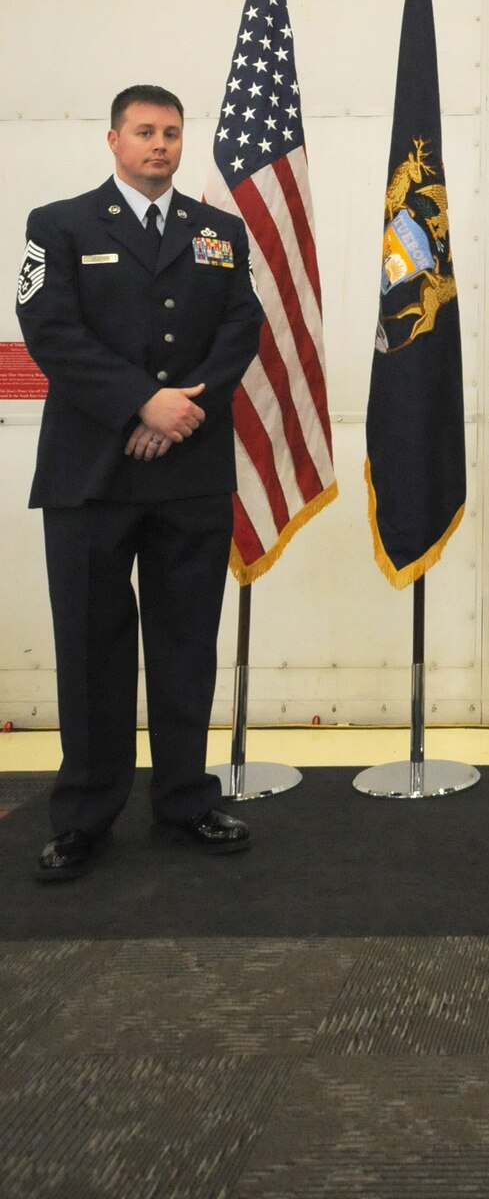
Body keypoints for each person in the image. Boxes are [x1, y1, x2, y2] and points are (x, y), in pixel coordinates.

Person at [15, 85, 265, 882]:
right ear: (114, 139)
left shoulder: (219, 233)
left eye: (172, 134)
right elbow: (49, 329)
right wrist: (140, 401)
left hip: (187, 469)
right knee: (92, 649)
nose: (160, 145)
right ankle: (85, 816)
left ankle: (186, 800)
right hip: (90, 473)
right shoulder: (59, 225)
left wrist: (178, 412)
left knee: (185, 642)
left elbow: (242, 326)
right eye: (145, 132)